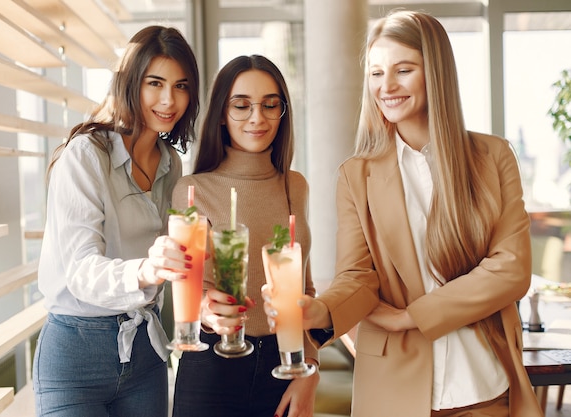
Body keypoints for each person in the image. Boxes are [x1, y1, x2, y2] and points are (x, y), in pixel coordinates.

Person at [264, 10, 543, 417]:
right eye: (376, 73)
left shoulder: (493, 157)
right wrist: (320, 310)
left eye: (403, 70)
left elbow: (512, 269)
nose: (386, 86)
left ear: (436, 73)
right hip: (393, 387)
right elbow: (358, 277)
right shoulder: (355, 176)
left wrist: (413, 316)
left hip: (483, 382)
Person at [32, 25, 200, 417]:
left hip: (145, 351)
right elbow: (80, 271)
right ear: (129, 84)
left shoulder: (171, 163)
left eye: (181, 86)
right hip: (76, 354)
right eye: (154, 83)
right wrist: (146, 269)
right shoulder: (85, 156)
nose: (168, 99)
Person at [168, 55, 319, 417]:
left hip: (284, 366)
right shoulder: (192, 190)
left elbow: (304, 291)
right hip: (213, 367)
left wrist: (309, 370)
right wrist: (206, 309)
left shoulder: (294, 186)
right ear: (222, 113)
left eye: (270, 105)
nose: (257, 118)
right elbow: (186, 288)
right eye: (242, 106)